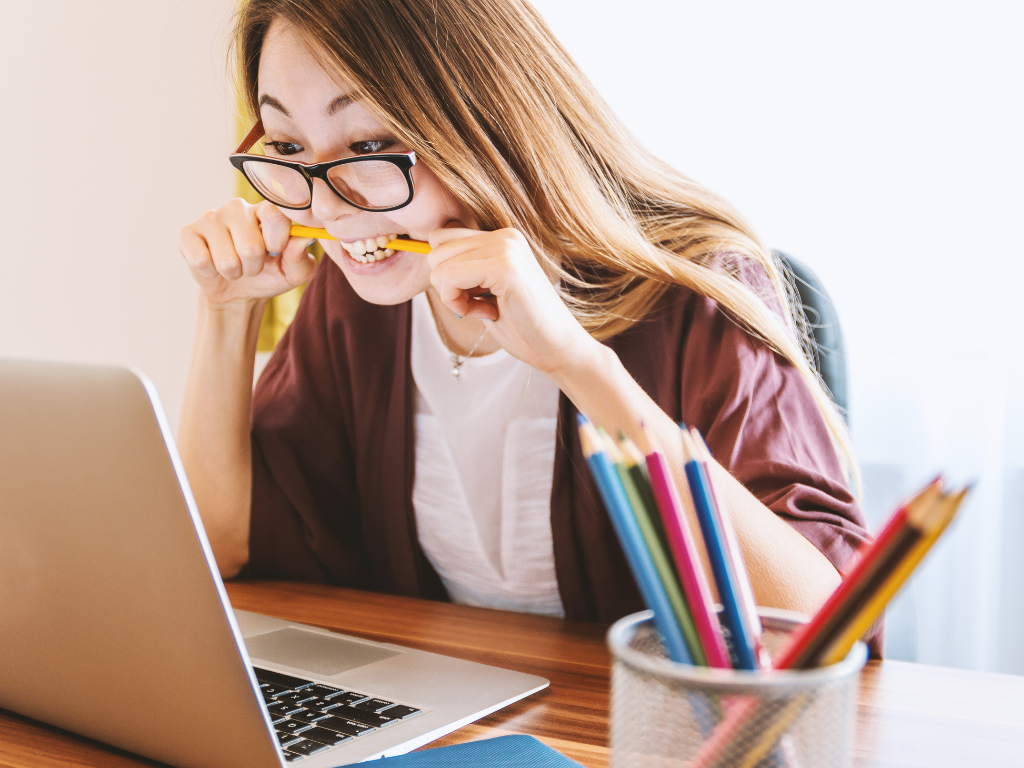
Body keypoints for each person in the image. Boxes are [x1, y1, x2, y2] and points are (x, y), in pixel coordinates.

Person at [178, 0, 875, 647]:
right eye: (291, 148)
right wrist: (228, 312)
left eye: (367, 146)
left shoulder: (695, 291)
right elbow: (219, 543)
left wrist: (578, 363)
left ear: (482, 119)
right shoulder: (356, 301)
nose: (328, 209)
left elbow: (821, 626)